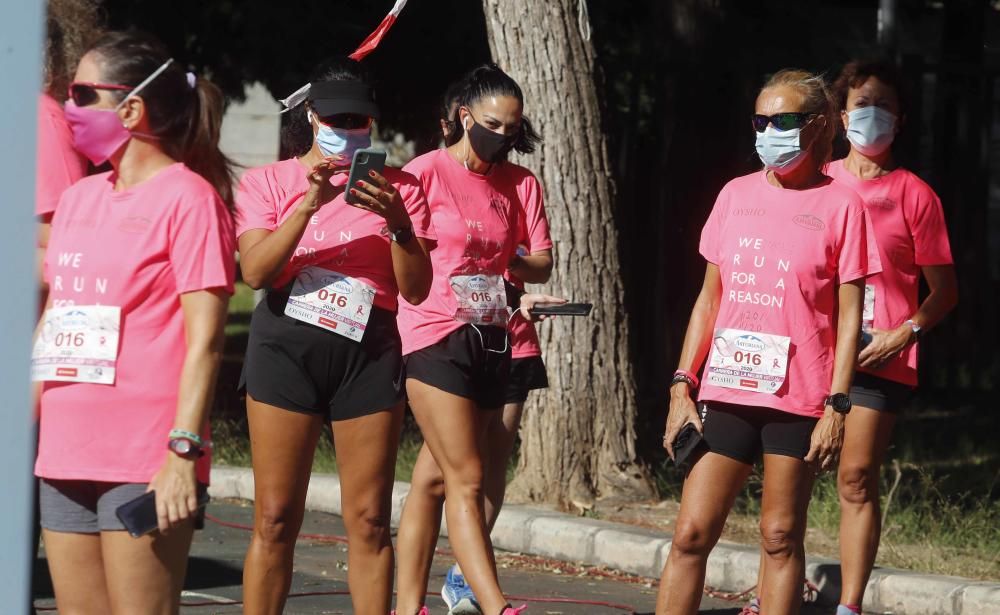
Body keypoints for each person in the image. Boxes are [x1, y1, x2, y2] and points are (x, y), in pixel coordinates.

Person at [656, 68, 879, 615]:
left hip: (799, 398)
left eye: (782, 120)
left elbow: (850, 316)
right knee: (690, 533)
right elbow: (708, 300)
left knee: (780, 536)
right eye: (760, 120)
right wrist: (682, 386)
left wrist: (838, 403)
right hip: (727, 388)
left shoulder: (842, 204)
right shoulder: (735, 195)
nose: (768, 131)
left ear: (819, 125)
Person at [32, 30, 236, 615]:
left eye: (80, 94)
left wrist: (181, 453)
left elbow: (206, 341)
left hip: (143, 459)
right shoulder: (79, 199)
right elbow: (55, 321)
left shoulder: (189, 200)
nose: (68, 108)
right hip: (65, 452)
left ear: (131, 108)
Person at [236, 58, 435, 615]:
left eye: (360, 120)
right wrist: (308, 205)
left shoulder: (402, 189)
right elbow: (254, 273)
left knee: (370, 518)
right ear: (311, 117)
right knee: (275, 516)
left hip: (368, 352)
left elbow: (416, 290)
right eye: (338, 118)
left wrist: (398, 222)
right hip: (285, 347)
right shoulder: (266, 182)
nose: (350, 129)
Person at [393, 64, 554, 615]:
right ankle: (495, 606)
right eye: (493, 125)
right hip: (434, 331)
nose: (504, 137)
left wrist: (506, 256)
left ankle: (407, 605)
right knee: (467, 475)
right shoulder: (424, 174)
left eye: (513, 129)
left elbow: (541, 262)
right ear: (464, 117)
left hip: (493, 332)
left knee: (434, 479)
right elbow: (406, 262)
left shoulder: (521, 183)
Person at [824, 59, 958, 615]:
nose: (871, 115)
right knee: (795, 470)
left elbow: (944, 292)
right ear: (840, 113)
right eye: (861, 104)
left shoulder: (916, 196)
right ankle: (774, 589)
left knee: (855, 477)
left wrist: (905, 334)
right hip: (812, 350)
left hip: (881, 355)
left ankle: (848, 605)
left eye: (884, 106)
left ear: (900, 121)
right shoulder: (819, 180)